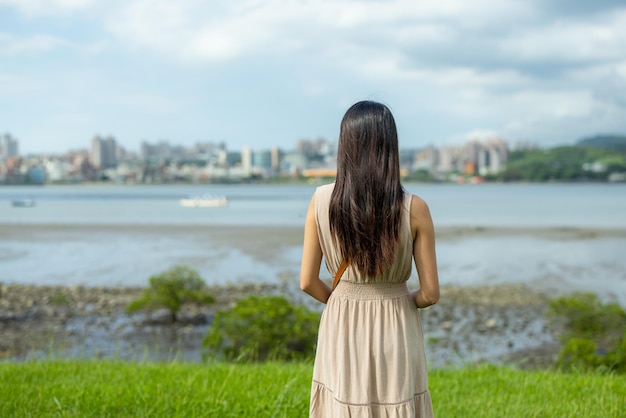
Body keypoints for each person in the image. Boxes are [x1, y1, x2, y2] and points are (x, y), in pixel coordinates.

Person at [300, 100, 440, 417]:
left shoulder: (320, 200)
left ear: (344, 145)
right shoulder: (415, 208)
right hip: (397, 323)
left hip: (341, 320)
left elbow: (307, 281)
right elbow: (431, 293)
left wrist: (343, 298)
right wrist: (398, 299)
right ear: (390, 147)